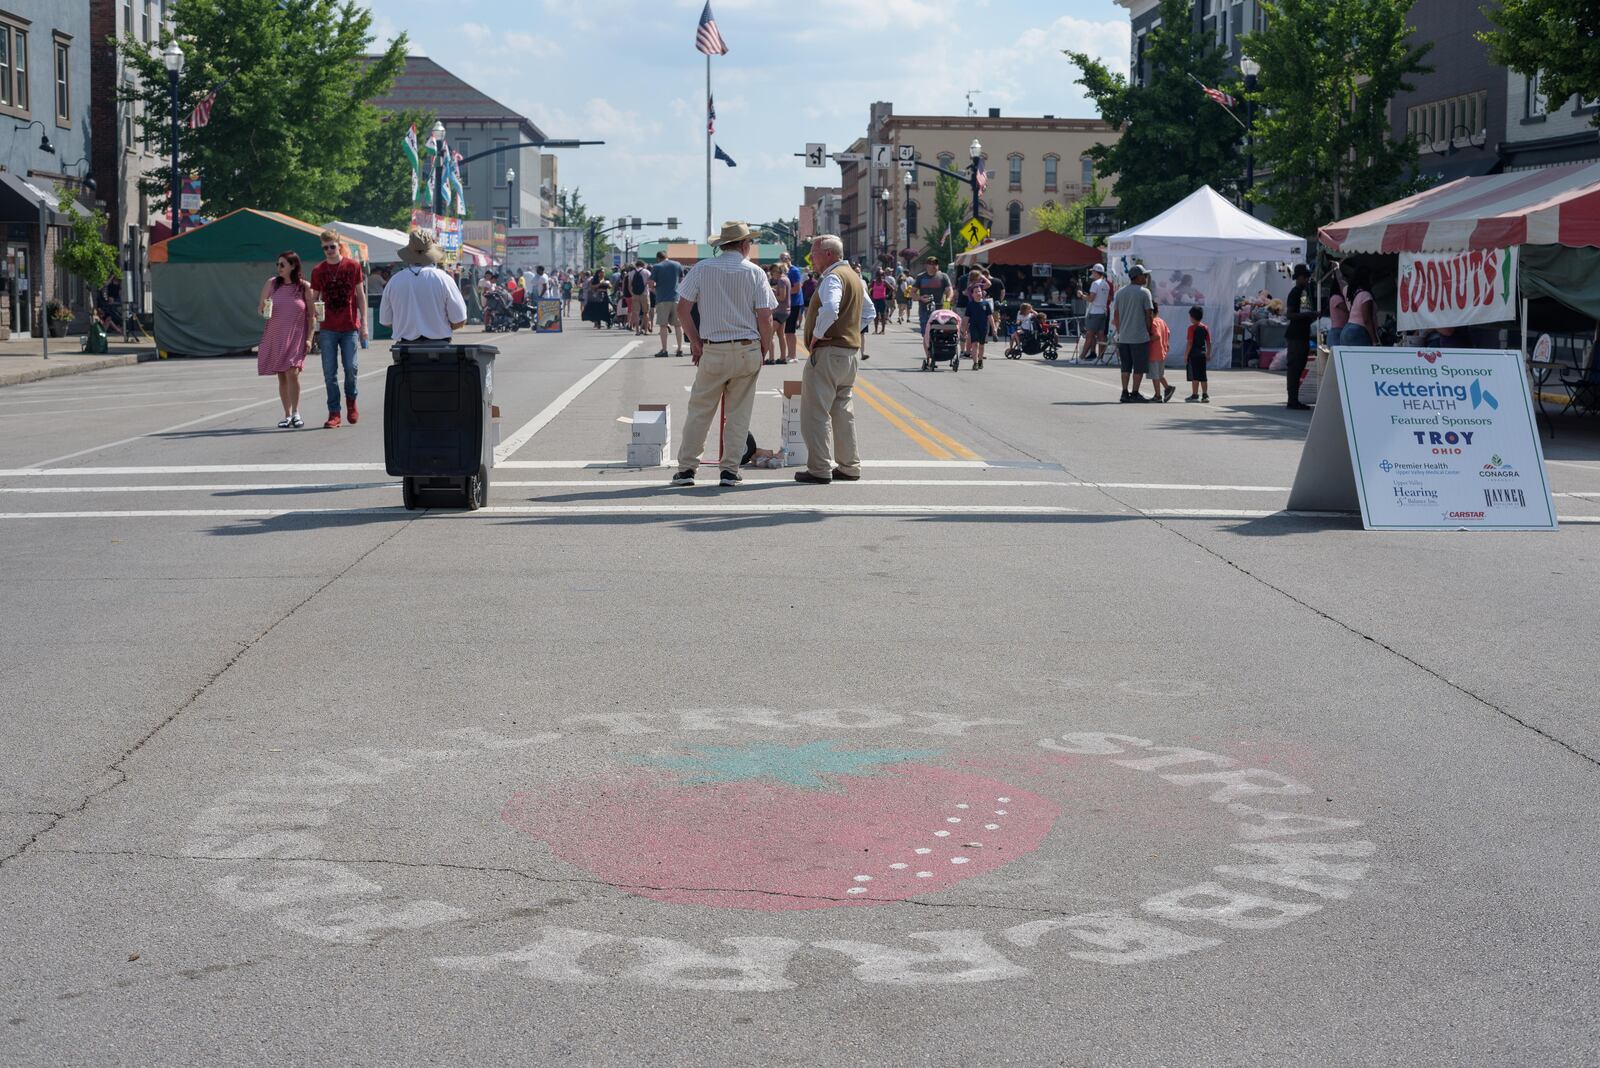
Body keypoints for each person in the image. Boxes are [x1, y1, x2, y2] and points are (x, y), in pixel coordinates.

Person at [670, 222, 778, 488]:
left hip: (712, 347)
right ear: (744, 245)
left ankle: (687, 469)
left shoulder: (703, 268)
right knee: (739, 413)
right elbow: (765, 316)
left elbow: (682, 309)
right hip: (746, 347)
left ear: (722, 245)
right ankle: (729, 470)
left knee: (700, 411)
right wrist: (764, 346)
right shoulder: (755, 272)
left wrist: (695, 342)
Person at [794, 235, 864, 485]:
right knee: (843, 410)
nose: (811, 258)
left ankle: (820, 468)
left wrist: (817, 336)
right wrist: (850, 329)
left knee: (816, 412)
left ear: (828, 254)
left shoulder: (833, 278)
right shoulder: (855, 277)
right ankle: (849, 465)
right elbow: (868, 311)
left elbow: (831, 308)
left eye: (814, 253)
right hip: (849, 352)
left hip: (829, 351)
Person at [309, 230, 367, 429]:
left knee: (351, 368)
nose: (329, 251)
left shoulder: (352, 266)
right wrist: (313, 309)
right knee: (329, 372)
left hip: (349, 325)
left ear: (339, 245)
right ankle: (334, 412)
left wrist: (364, 324)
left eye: (332, 246)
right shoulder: (319, 270)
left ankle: (351, 401)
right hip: (328, 327)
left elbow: (360, 295)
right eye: (325, 248)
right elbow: (314, 296)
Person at [256, 250, 316, 429]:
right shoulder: (272, 284)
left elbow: (312, 315)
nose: (278, 268)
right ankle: (287, 415)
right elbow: (260, 309)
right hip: (275, 334)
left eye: (282, 264)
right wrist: (265, 309)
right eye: (277, 264)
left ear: (293, 266)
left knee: (293, 372)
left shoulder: (304, 287)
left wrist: (310, 338)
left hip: (297, 336)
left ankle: (296, 412)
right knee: (282, 376)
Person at [378, 231, 469, 344]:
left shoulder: (394, 281)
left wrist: (407, 327)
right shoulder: (444, 279)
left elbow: (386, 321)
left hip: (405, 349)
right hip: (439, 347)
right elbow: (459, 319)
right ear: (432, 253)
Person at [1111, 264, 1155, 403]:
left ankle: (1124, 392)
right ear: (1138, 277)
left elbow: (1116, 316)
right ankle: (1135, 393)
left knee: (1125, 366)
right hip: (1139, 336)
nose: (1146, 278)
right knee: (1139, 367)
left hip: (1123, 336)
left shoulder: (1120, 292)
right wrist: (1149, 331)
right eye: (1145, 275)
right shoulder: (1144, 292)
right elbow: (1149, 314)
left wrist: (1119, 331)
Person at [1284, 262, 1316, 410]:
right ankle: (1292, 400)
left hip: (1303, 335)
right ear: (1299, 278)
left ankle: (1294, 399)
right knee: (1295, 368)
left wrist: (1311, 316)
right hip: (1296, 336)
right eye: (1305, 277)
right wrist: (1307, 315)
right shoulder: (1295, 292)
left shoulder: (1304, 293)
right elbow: (1290, 314)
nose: (1307, 280)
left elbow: (1304, 311)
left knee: (1299, 367)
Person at [650, 251, 687, 357]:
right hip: (676, 298)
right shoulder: (677, 264)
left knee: (663, 326)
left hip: (662, 299)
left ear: (658, 258)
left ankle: (664, 350)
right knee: (678, 325)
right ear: (667, 257)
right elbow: (682, 280)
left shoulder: (656, 267)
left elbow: (651, 283)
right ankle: (680, 349)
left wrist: (655, 290)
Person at [1080, 263, 1111, 362]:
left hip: (1095, 312)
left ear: (1096, 272)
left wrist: (1081, 295)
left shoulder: (1095, 283)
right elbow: (1108, 298)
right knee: (1101, 335)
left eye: (1093, 271)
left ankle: (1081, 358)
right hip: (1103, 311)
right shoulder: (1105, 284)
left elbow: (1091, 299)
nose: (1092, 273)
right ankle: (1100, 358)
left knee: (1090, 335)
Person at [779, 252, 805, 364]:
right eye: (781, 258)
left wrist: (784, 294)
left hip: (794, 303)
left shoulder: (794, 271)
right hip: (787, 304)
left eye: (786, 258)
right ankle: (790, 354)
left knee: (790, 331)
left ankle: (793, 355)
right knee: (787, 331)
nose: (784, 259)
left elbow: (797, 288)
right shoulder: (783, 271)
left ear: (790, 258)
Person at [916, 256, 952, 334]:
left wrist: (948, 299)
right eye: (931, 264)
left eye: (935, 264)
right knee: (925, 332)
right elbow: (912, 292)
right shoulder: (920, 277)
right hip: (924, 309)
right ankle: (928, 345)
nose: (934, 266)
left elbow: (949, 290)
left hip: (939, 309)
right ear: (926, 265)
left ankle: (935, 345)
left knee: (939, 333)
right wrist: (920, 298)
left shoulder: (943, 276)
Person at [1343, 268, 1377, 347]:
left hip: (1347, 329)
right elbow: (1367, 320)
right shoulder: (1366, 295)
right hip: (1358, 331)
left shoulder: (1356, 293)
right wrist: (1374, 340)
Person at [1184, 305, 1211, 403]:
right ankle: (1205, 395)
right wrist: (1208, 353)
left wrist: (1186, 354)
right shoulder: (1205, 327)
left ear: (1192, 317)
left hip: (1194, 355)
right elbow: (1208, 342)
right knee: (1203, 375)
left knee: (1195, 376)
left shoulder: (1191, 328)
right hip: (1203, 354)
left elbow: (1190, 342)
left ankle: (1195, 395)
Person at [764, 263, 791, 362]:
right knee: (781, 335)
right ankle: (783, 357)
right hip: (785, 311)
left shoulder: (781, 281)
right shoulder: (786, 279)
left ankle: (771, 358)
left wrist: (772, 294)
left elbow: (782, 297)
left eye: (774, 271)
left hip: (779, 311)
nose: (772, 274)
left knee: (770, 335)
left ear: (779, 271)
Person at [1147, 303, 1174, 401]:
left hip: (1154, 352)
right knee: (1160, 374)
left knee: (1155, 375)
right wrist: (1166, 342)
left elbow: (1157, 335)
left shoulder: (1153, 322)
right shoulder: (1162, 321)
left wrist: (1147, 338)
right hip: (1162, 351)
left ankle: (1157, 395)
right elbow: (1168, 333)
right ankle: (1168, 388)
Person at [965, 280, 994, 369]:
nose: (978, 293)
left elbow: (990, 317)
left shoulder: (985, 304)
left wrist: (994, 328)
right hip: (973, 326)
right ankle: (975, 363)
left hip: (983, 327)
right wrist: (963, 329)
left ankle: (980, 360)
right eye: (976, 292)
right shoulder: (970, 304)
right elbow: (966, 318)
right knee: (975, 344)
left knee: (981, 345)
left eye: (980, 291)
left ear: (982, 293)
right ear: (972, 294)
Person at [868, 269, 891, 335]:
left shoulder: (884, 282)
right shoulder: (874, 282)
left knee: (883, 315)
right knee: (876, 315)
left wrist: (887, 295)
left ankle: (883, 330)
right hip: (875, 300)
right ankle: (875, 330)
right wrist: (870, 296)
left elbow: (892, 289)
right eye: (878, 275)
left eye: (881, 275)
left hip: (882, 300)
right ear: (876, 275)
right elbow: (868, 288)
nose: (880, 276)